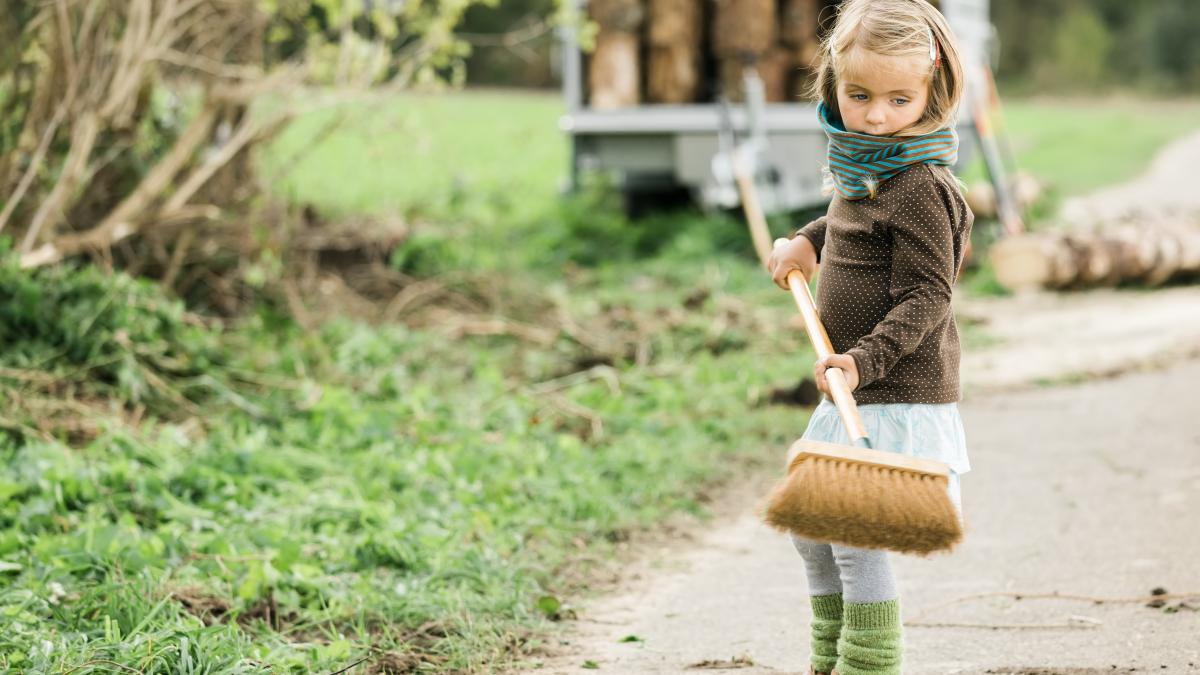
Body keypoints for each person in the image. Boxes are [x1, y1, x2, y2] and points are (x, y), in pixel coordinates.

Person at [766, 1, 974, 673]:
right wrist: (806, 240)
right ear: (833, 86)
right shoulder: (868, 166)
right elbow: (853, 227)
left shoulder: (920, 182)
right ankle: (830, 653)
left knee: (857, 536)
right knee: (810, 528)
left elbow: (929, 296)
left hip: (893, 386)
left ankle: (871, 662)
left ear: (931, 91)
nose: (876, 115)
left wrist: (861, 360)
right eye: (859, 96)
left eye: (898, 98)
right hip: (854, 382)